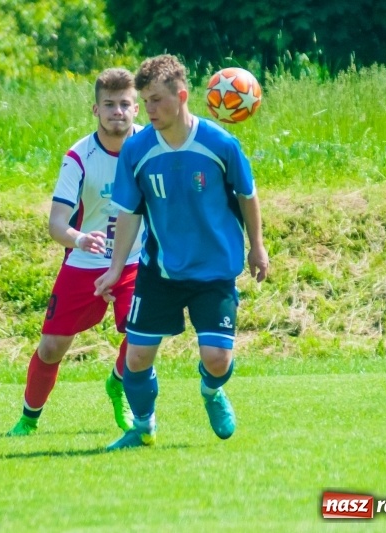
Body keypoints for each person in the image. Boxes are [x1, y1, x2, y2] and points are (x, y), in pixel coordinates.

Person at [94, 55, 269, 450]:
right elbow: (128, 212)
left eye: (157, 100)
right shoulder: (136, 150)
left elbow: (247, 195)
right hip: (161, 272)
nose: (149, 110)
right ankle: (142, 428)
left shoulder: (220, 144)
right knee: (136, 358)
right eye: (145, 101)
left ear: (182, 95)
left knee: (217, 360)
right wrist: (115, 268)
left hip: (214, 271)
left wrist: (257, 246)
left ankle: (211, 391)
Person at [7, 68, 144, 437]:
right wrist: (80, 239)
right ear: (95, 110)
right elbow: (56, 224)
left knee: (142, 335)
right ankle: (28, 419)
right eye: (109, 104)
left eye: (125, 104)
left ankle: (118, 383)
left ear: (136, 109)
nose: (118, 111)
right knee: (52, 348)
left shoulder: (151, 147)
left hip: (134, 260)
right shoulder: (79, 157)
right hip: (85, 262)